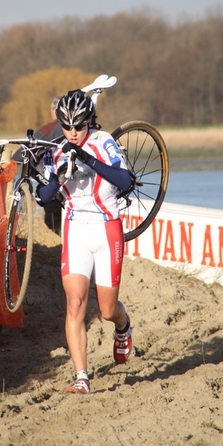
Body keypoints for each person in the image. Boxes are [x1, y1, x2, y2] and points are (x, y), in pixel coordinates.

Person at [36, 89, 134, 394]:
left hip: (107, 229)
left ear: (89, 120)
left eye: (79, 125)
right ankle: (81, 377)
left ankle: (123, 325)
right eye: (68, 127)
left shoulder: (103, 142)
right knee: (75, 302)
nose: (74, 133)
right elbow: (42, 198)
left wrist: (89, 160)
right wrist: (58, 179)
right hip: (76, 229)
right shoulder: (58, 149)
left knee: (106, 310)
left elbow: (125, 181)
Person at [33, 96, 64, 235]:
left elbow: (30, 153)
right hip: (72, 184)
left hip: (52, 183)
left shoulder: (47, 129)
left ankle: (59, 241)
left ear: (53, 111)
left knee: (53, 221)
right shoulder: (78, 129)